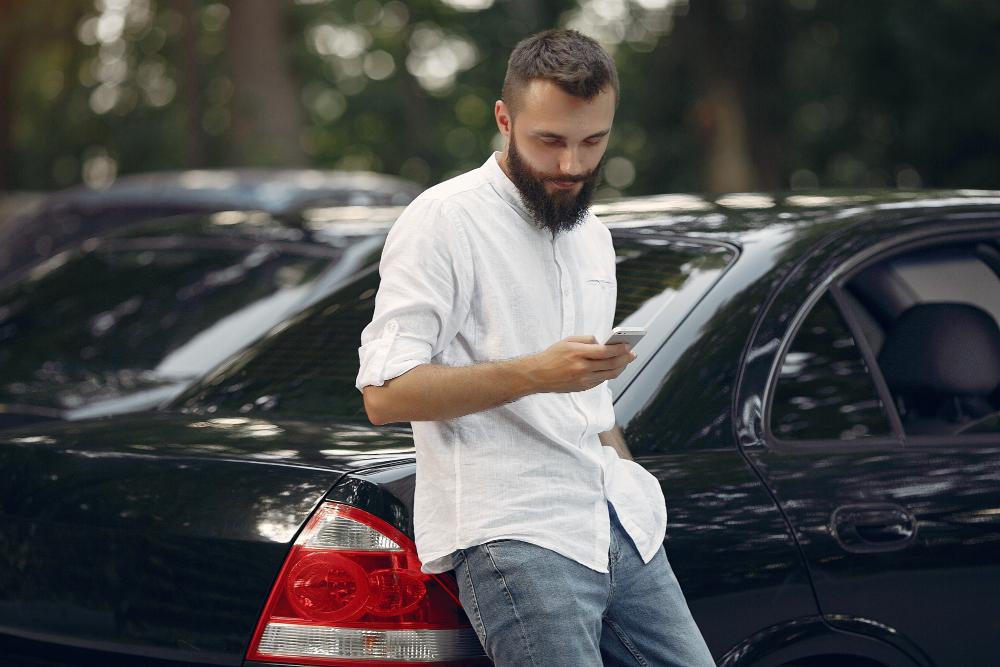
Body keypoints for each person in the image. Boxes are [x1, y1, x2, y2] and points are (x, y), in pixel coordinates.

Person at [356, 28, 714, 667]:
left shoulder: (592, 233)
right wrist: (535, 373)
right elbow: (385, 395)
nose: (572, 166)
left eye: (592, 141)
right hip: (514, 531)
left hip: (617, 517)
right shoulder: (444, 220)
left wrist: (623, 466)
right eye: (549, 141)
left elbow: (588, 400)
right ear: (504, 119)